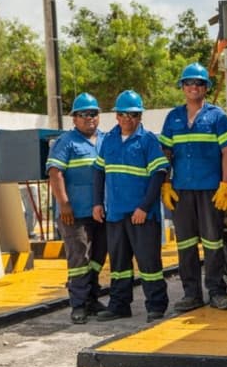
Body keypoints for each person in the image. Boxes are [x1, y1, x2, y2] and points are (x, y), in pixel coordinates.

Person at [158, 63, 227, 313]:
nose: (193, 87)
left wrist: (226, 183)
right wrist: (165, 182)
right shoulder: (173, 117)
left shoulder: (217, 116)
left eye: (199, 83)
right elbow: (166, 152)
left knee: (213, 242)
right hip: (181, 190)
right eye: (189, 83)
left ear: (206, 88)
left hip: (210, 190)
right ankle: (191, 294)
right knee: (185, 243)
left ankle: (216, 291)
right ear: (182, 87)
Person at [92, 89, 171, 322]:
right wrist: (98, 203)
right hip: (116, 213)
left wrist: (145, 208)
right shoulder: (108, 140)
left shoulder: (148, 141)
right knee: (119, 264)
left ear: (140, 117)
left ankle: (156, 306)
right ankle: (119, 305)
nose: (129, 119)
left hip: (142, 215)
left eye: (134, 115)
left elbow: (158, 174)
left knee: (149, 263)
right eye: (125, 114)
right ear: (117, 116)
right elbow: (99, 173)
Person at [46, 93, 108, 324]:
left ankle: (92, 298)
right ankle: (79, 304)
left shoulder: (104, 139)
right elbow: (55, 173)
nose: (89, 118)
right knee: (79, 258)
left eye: (93, 113)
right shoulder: (67, 142)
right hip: (75, 213)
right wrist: (64, 204)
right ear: (74, 119)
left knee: (97, 256)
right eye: (84, 114)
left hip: (101, 212)